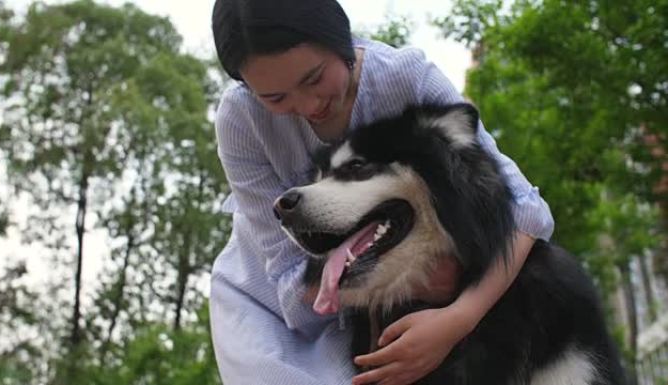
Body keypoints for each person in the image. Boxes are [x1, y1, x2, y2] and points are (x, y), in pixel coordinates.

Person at [209, 0, 554, 384]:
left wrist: (458, 319)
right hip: (270, 288)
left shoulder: (409, 79)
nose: (307, 106)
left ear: (339, 39)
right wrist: (425, 278)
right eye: (274, 98)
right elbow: (291, 281)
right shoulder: (239, 120)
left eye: (314, 78)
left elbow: (527, 211)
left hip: (394, 273)